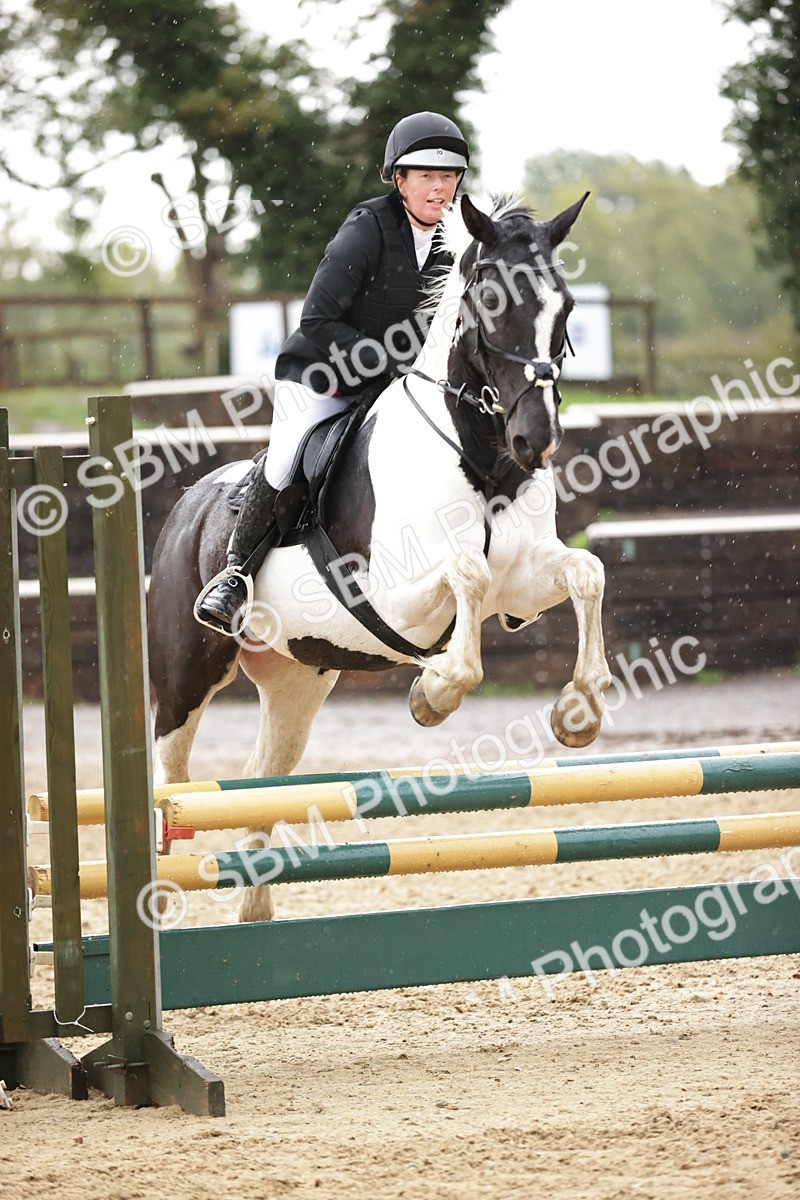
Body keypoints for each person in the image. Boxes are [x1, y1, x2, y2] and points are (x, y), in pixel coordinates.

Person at [195, 111, 470, 634]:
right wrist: (386, 363)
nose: (440, 188)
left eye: (449, 177)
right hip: (324, 375)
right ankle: (234, 576)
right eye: (427, 176)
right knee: (284, 463)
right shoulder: (367, 228)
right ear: (399, 179)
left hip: (399, 385)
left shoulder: (454, 243)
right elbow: (317, 319)